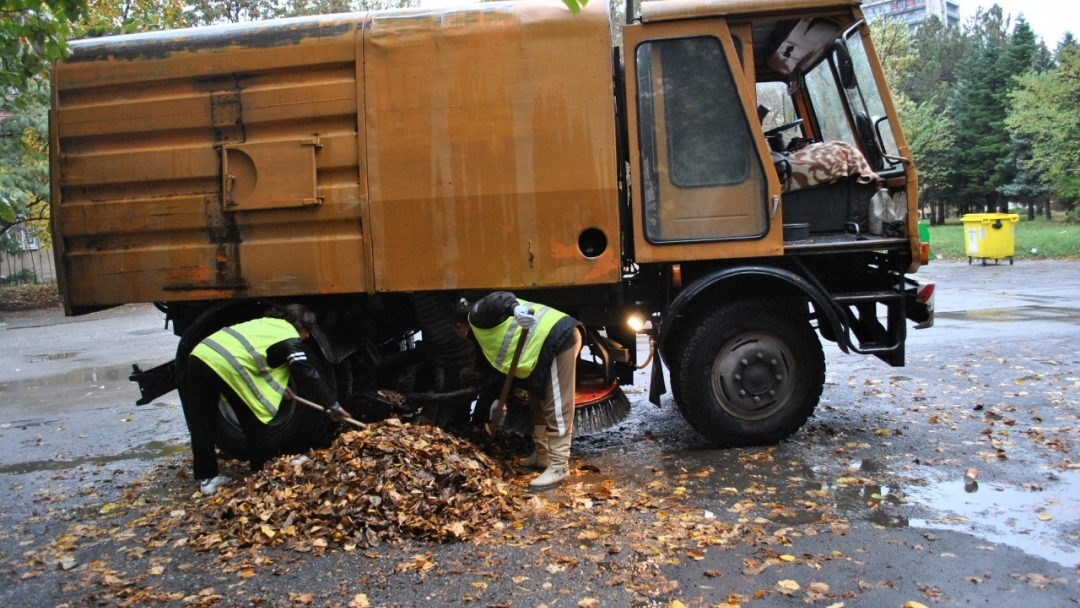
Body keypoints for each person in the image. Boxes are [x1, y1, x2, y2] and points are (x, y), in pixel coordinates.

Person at [182, 304, 347, 495]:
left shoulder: (268, 324)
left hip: (200, 355)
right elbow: (308, 373)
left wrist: (280, 388)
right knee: (255, 419)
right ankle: (260, 474)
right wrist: (332, 405)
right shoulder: (289, 339)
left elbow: (257, 357)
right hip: (223, 365)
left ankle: (207, 479)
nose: (307, 336)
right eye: (306, 330)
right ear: (297, 325)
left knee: (202, 421)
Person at [463, 292, 582, 490]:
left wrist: (515, 309)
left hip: (558, 338)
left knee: (557, 402)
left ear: (459, 326)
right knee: (537, 399)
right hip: (539, 351)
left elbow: (500, 298)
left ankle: (559, 466)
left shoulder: (476, 314)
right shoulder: (481, 338)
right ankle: (542, 454)